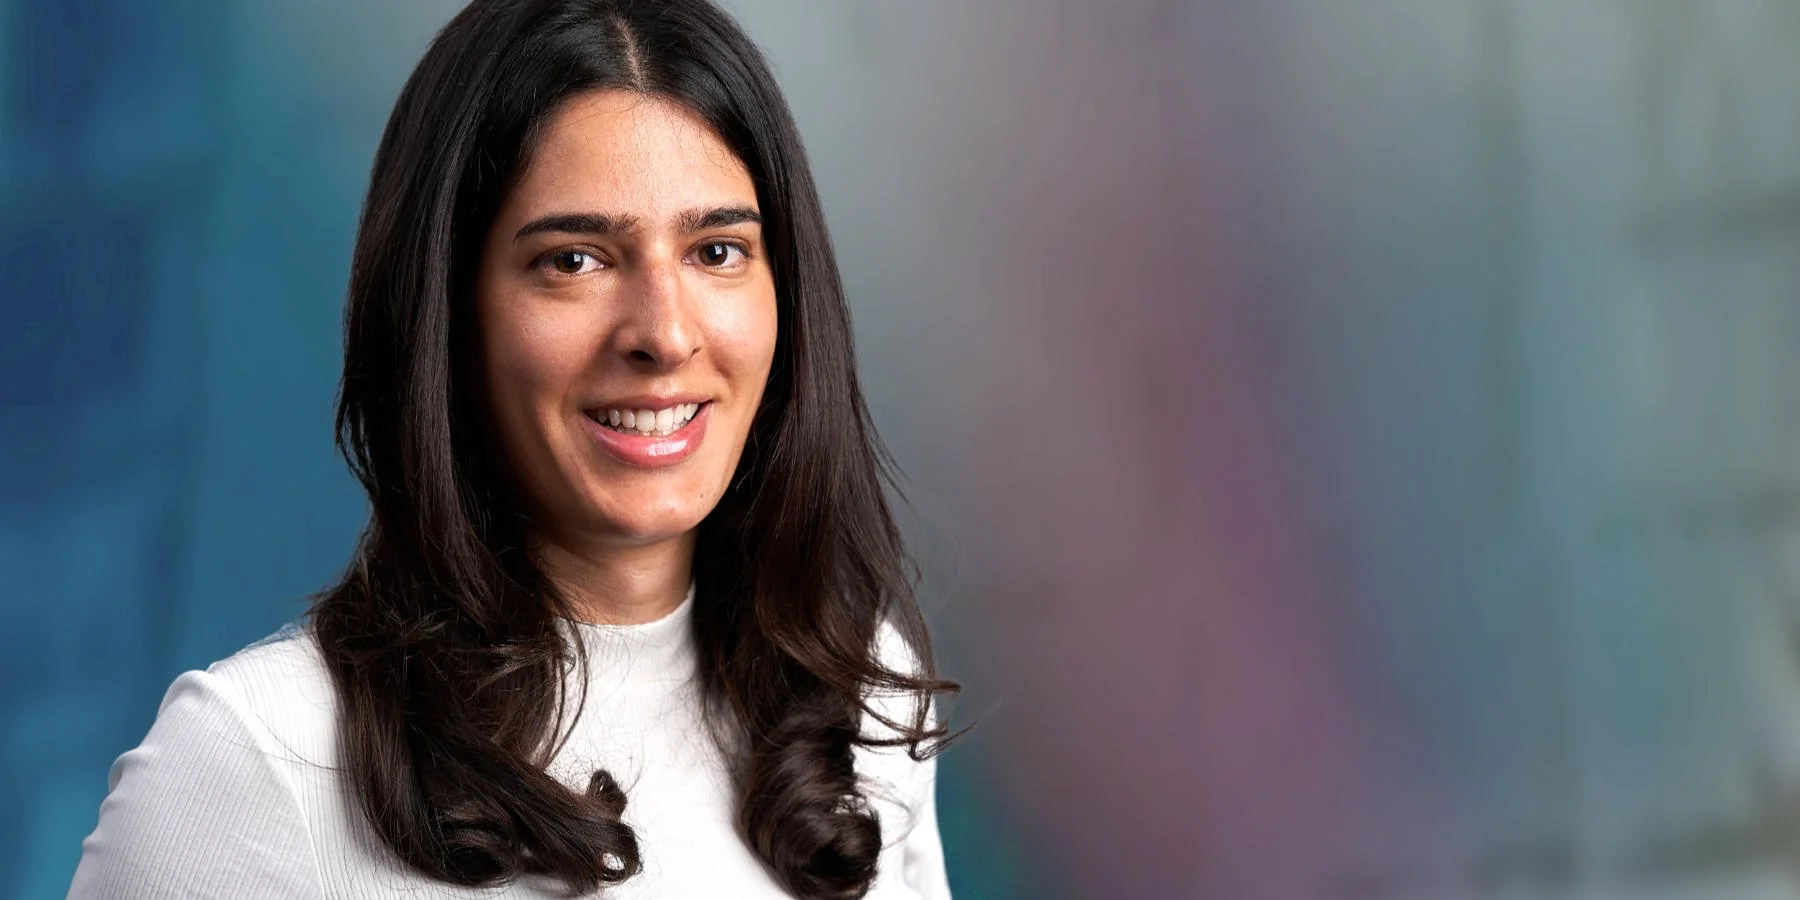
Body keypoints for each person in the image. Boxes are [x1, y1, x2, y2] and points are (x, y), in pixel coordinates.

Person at [69, 0, 958, 896]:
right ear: (446, 313)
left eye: (718, 250)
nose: (665, 334)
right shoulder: (255, 761)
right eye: (574, 260)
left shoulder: (864, 698)